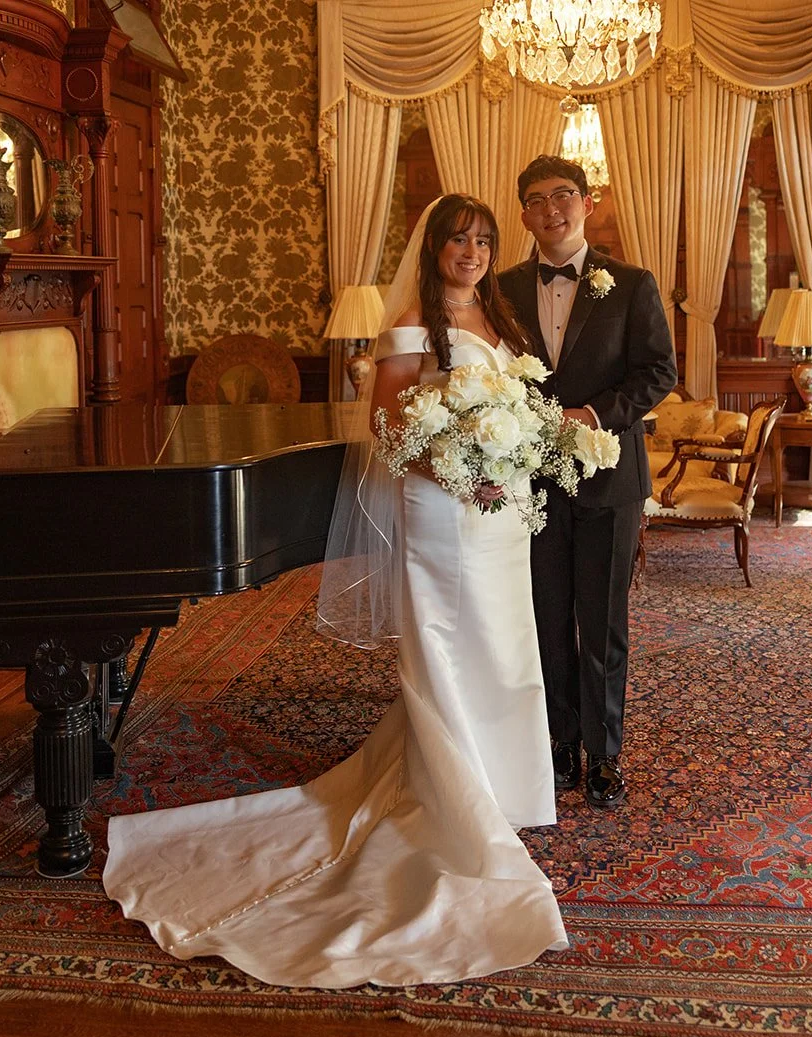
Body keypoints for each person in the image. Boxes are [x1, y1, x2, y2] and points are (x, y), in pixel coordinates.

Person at [102, 194, 568, 989]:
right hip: (443, 507)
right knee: (450, 646)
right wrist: (462, 471)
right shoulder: (411, 325)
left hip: (500, 512)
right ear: (434, 247)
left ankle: (501, 783)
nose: (473, 252)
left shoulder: (502, 321)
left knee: (503, 641)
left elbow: (518, 407)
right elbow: (389, 429)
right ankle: (455, 795)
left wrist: (513, 457)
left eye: (485, 241)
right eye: (460, 239)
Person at [498, 156, 678, 809]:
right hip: (531, 482)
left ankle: (604, 754)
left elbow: (659, 371)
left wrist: (594, 415)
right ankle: (558, 742)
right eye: (537, 200)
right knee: (545, 618)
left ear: (588, 203)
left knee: (602, 622)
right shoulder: (501, 289)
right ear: (524, 215)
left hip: (609, 477)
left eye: (564, 195)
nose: (552, 209)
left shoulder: (631, 283)